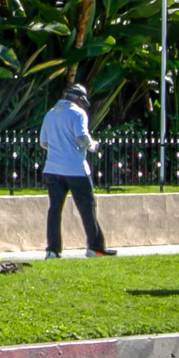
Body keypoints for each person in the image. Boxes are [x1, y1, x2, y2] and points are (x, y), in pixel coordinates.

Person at [41, 81, 107, 257]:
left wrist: (59, 150)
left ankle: (52, 250)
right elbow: (81, 137)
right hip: (75, 169)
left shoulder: (50, 114)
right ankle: (95, 247)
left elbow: (43, 143)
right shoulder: (78, 113)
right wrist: (92, 146)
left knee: (54, 209)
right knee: (87, 208)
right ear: (79, 99)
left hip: (52, 169)